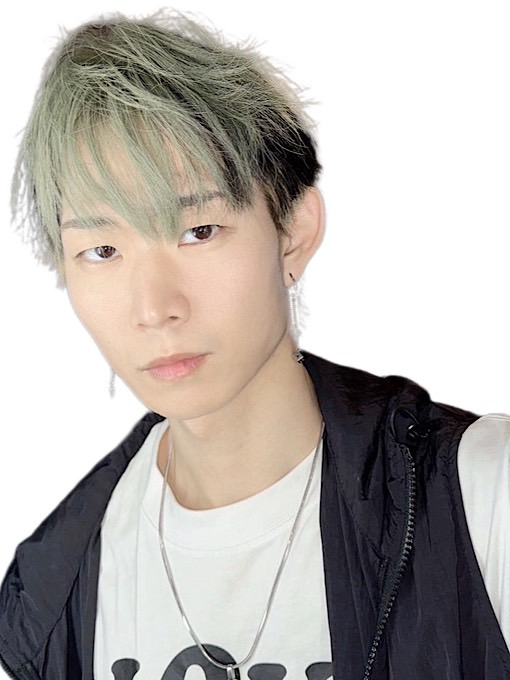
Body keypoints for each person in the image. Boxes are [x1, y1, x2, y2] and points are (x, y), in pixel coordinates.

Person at [0, 10, 509, 680]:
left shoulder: (477, 496)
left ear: (292, 231)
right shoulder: (52, 588)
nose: (155, 308)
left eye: (198, 231)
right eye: (102, 250)